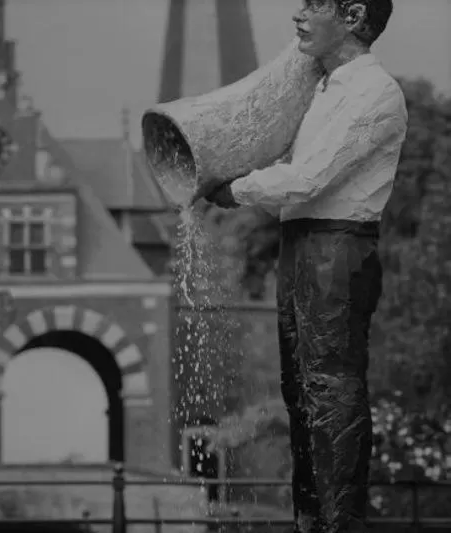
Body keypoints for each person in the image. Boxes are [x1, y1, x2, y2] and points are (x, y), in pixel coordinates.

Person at [200, 1, 406, 532]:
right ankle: (310, 520)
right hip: (301, 246)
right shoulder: (321, 88)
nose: (298, 14)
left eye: (315, 3)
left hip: (337, 249)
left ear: (355, 15)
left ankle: (341, 524)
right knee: (300, 391)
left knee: (331, 390)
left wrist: (234, 189)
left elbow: (308, 178)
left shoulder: (374, 93)